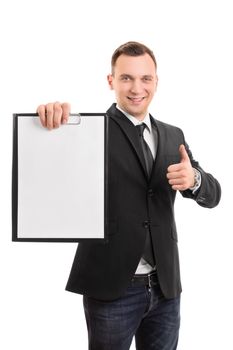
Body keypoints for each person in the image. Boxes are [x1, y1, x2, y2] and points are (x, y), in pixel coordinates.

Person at [37, 41, 221, 350]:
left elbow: (213, 194)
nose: (137, 87)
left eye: (145, 78)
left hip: (165, 289)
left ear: (156, 82)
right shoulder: (87, 131)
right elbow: (52, 169)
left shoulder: (173, 135)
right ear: (111, 81)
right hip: (112, 288)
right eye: (126, 78)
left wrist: (195, 179)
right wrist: (50, 124)